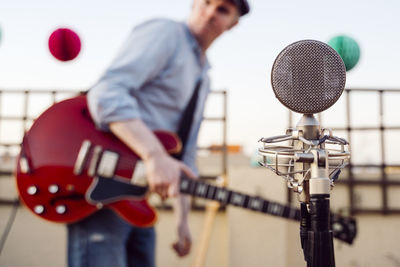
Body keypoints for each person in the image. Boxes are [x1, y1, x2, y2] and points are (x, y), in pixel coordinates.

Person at [68, 0, 250, 266]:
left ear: (233, 23)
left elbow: (183, 156)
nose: (210, 12)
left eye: (222, 9)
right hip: (98, 180)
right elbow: (107, 93)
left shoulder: (203, 77)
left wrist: (183, 221)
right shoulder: (167, 33)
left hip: (138, 196)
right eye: (207, 2)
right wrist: (153, 154)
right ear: (193, 4)